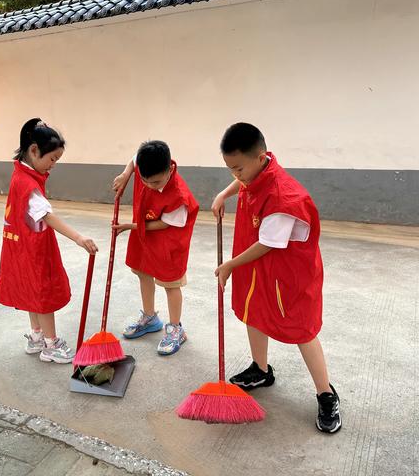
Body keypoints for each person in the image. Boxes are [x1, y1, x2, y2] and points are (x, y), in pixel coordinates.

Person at [212, 122, 341, 433]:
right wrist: (223, 194)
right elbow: (243, 184)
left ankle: (326, 394)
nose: (236, 175)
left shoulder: (284, 197)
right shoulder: (255, 171)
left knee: (301, 329)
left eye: (238, 168)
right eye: (230, 169)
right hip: (259, 268)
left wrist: (230, 265)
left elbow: (268, 243)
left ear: (259, 158)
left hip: (288, 276)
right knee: (253, 312)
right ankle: (260, 369)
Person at [0, 118, 98, 364]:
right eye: (52, 159)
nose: (53, 166)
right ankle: (51, 345)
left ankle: (36, 336)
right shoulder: (28, 184)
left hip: (18, 247)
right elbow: (47, 216)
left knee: (31, 291)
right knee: (43, 294)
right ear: (34, 150)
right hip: (33, 248)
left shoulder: (19, 173)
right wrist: (79, 237)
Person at [112, 140, 198, 355]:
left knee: (171, 283)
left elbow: (165, 223)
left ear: (169, 169)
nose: (150, 186)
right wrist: (125, 175)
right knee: (143, 272)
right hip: (145, 235)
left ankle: (176, 329)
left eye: (156, 182)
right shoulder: (147, 167)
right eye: (145, 181)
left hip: (168, 240)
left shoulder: (178, 195)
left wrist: (132, 226)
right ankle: (150, 317)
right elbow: (134, 159)